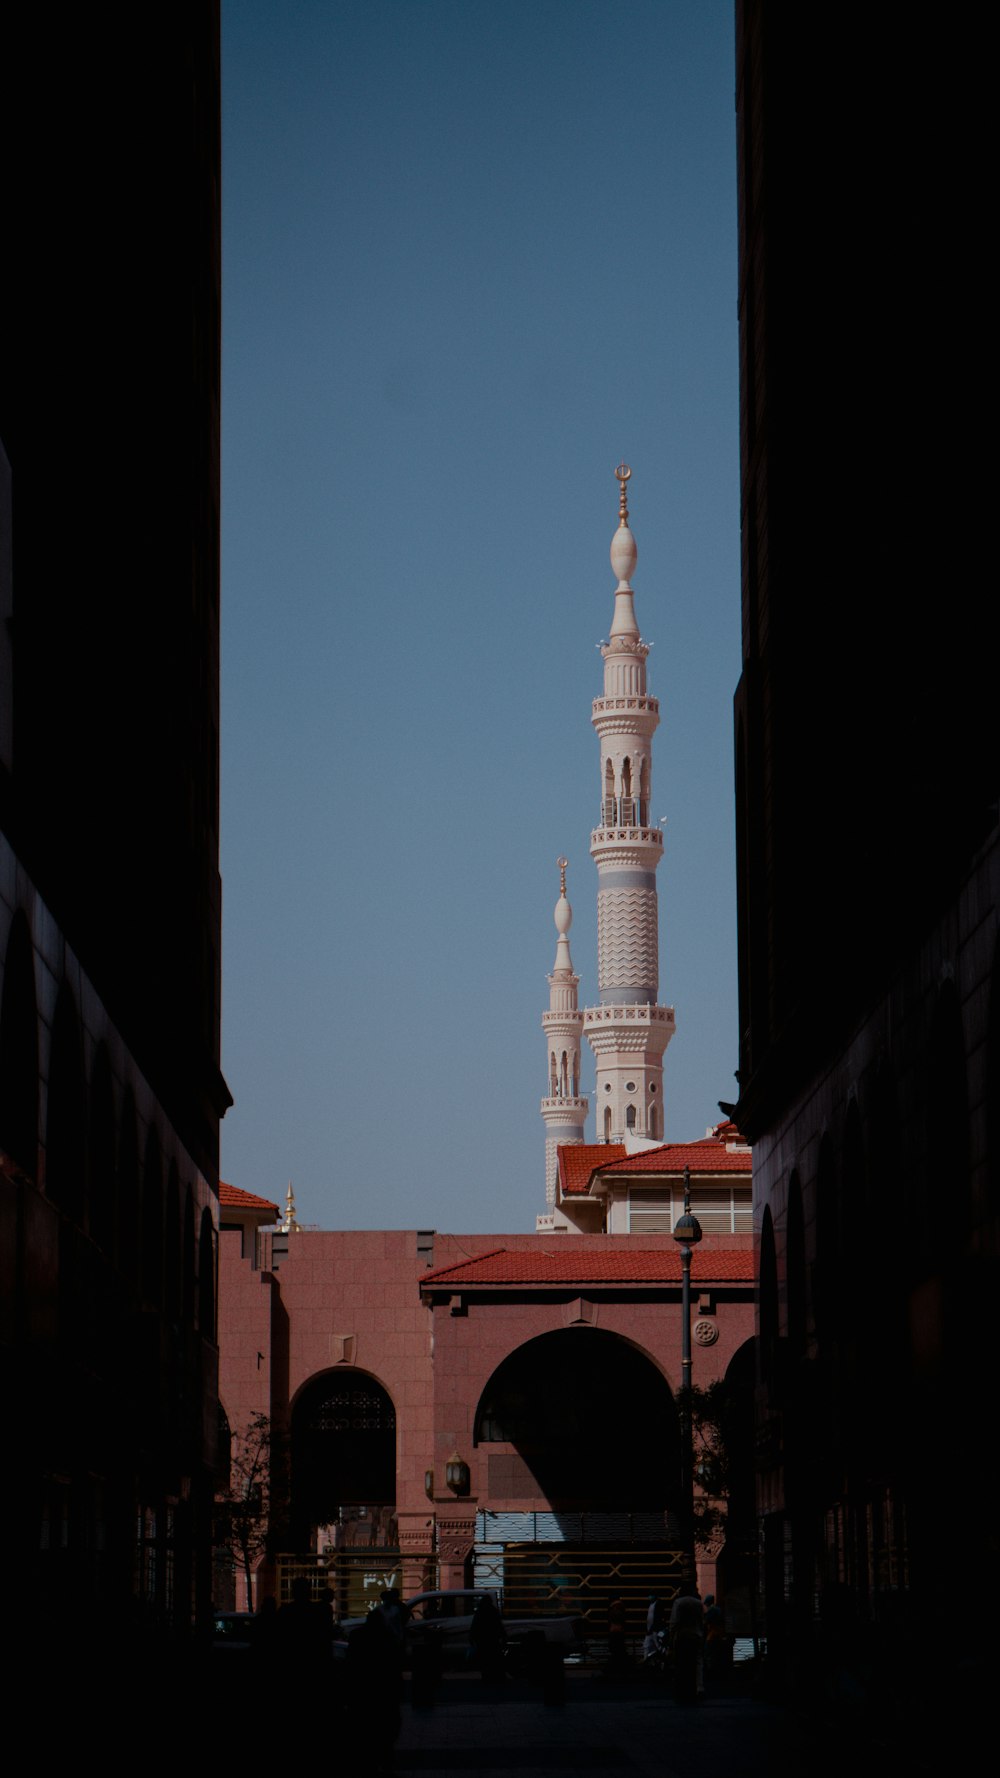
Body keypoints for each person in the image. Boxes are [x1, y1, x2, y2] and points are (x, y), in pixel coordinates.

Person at [669, 1589, 704, 1704]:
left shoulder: (678, 1603)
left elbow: (674, 1622)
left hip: (682, 1636)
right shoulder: (698, 1603)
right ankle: (699, 1686)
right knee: (698, 1662)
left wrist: (671, 1636)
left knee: (682, 1662)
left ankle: (682, 1687)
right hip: (696, 1634)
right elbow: (701, 1620)